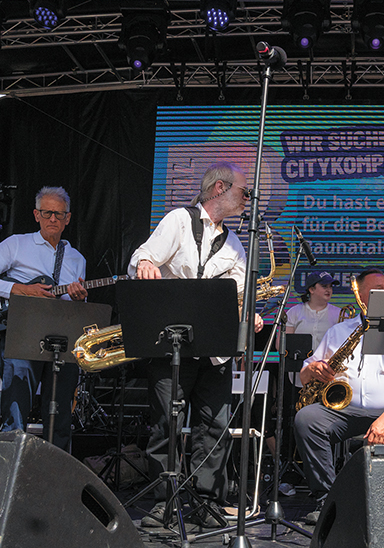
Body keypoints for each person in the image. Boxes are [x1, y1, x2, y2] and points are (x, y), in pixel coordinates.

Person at [129, 162, 262, 529]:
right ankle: (163, 502)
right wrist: (143, 263)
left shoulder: (235, 242)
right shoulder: (178, 220)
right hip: (173, 344)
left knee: (214, 427)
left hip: (215, 348)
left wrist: (247, 313)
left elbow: (237, 296)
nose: (247, 198)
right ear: (220, 188)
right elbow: (142, 257)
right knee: (166, 426)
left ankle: (206, 501)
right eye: (243, 191)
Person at [294, 269, 384, 524]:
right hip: (344, 410)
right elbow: (304, 376)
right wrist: (313, 369)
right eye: (379, 288)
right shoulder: (339, 331)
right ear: (361, 296)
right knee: (307, 419)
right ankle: (328, 499)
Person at [0, 186, 88, 450]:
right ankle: (10, 457)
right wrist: (20, 290)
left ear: (68, 218)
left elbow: (73, 306)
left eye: (59, 214)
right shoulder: (16, 244)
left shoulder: (77, 259)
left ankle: (55, 463)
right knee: (16, 400)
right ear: (36, 215)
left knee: (60, 407)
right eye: (47, 213)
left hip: (60, 340)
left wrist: (79, 299)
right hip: (22, 332)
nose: (53, 219)